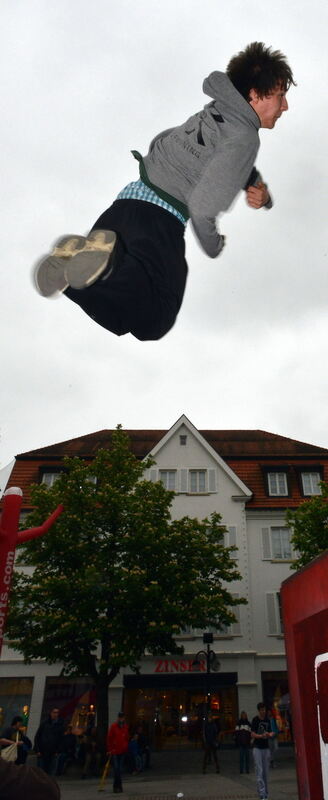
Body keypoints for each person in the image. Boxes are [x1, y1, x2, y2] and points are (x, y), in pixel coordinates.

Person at [34, 42, 295, 342]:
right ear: (254, 94)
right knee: (156, 317)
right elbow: (202, 207)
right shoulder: (245, 137)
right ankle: (108, 265)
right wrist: (215, 246)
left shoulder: (213, 113)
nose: (285, 107)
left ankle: (69, 272)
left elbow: (167, 140)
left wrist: (260, 191)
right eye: (280, 96)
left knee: (123, 312)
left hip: (122, 209)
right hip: (158, 222)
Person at [251, 702, 274, 800]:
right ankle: (262, 794)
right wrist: (261, 736)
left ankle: (266, 793)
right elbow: (252, 734)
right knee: (259, 771)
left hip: (266, 748)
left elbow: (272, 731)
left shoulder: (268, 720)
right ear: (259, 710)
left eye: (264, 709)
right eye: (261, 710)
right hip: (257, 748)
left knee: (265, 772)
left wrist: (269, 734)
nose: (263, 711)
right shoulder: (255, 720)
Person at [34, 707, 65, 776]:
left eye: (57, 713)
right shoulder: (44, 723)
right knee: (41, 772)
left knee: (51, 772)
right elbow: (37, 737)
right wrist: (37, 750)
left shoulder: (60, 725)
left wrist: (58, 751)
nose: (55, 714)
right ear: (51, 713)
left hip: (53, 752)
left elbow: (61, 739)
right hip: (42, 751)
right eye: (54, 712)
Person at [106, 711, 129, 793]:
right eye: (120, 717)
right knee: (117, 769)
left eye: (122, 717)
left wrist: (125, 746)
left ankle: (117, 786)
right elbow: (109, 739)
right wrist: (110, 749)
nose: (121, 718)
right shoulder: (114, 726)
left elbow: (126, 738)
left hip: (122, 751)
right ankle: (118, 786)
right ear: (118, 718)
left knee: (119, 769)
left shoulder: (125, 727)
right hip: (115, 751)